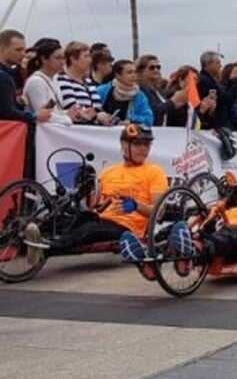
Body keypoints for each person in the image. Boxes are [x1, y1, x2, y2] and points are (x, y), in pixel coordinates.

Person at [34, 125, 169, 280]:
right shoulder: (109, 171)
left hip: (127, 227)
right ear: (124, 145)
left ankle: (46, 249)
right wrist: (84, 189)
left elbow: (159, 212)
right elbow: (92, 205)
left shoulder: (154, 172)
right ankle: (26, 235)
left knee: (90, 228)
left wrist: (136, 205)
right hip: (100, 219)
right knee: (68, 217)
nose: (143, 149)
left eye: (147, 145)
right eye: (138, 144)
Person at [0, 29, 53, 124]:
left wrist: (17, 102)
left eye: (24, 50)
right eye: (18, 50)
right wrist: (34, 116)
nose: (23, 54)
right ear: (1, 48)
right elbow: (6, 113)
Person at [56, 42, 112, 125]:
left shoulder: (88, 81)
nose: (90, 60)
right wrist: (96, 115)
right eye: (86, 56)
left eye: (89, 56)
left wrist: (103, 116)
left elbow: (97, 108)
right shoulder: (62, 80)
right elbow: (72, 108)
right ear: (73, 59)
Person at [22, 39, 73, 124]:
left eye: (63, 58)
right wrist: (68, 119)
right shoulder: (36, 82)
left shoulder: (55, 79)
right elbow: (43, 116)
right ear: (44, 59)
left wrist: (71, 114)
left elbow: (56, 112)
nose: (62, 62)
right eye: (57, 58)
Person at [95, 59, 154, 126]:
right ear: (117, 75)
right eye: (129, 72)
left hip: (127, 134)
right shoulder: (101, 91)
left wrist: (131, 120)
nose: (134, 75)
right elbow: (93, 111)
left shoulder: (139, 95)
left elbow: (149, 119)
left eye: (135, 72)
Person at [135, 55, 169, 125]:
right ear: (141, 71)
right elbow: (152, 111)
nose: (156, 70)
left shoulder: (158, 90)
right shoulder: (140, 89)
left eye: (158, 67)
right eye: (152, 68)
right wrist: (174, 102)